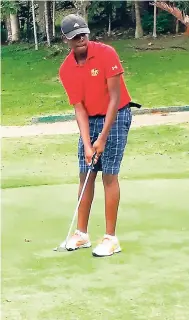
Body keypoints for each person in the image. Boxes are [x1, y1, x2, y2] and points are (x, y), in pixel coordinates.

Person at [58, 14, 132, 257]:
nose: (81, 39)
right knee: (85, 173)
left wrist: (102, 138)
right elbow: (79, 108)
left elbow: (115, 97)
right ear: (66, 39)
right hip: (90, 118)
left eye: (83, 34)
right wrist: (89, 144)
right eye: (75, 36)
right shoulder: (66, 69)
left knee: (108, 175)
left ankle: (111, 238)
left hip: (117, 113)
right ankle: (82, 234)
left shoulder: (106, 53)